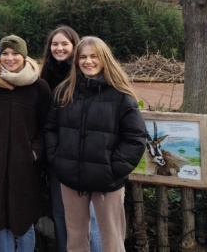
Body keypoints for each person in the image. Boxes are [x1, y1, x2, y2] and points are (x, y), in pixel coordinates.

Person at [47, 37, 147, 252]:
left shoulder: (121, 95)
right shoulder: (64, 92)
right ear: (76, 61)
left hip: (107, 182)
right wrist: (58, 160)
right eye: (83, 57)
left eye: (94, 56)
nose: (88, 61)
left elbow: (136, 138)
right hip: (71, 177)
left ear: (104, 59)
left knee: (112, 240)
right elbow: (51, 129)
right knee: (75, 239)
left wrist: (113, 169)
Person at [0, 36, 52, 251]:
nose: (10, 58)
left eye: (15, 53)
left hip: (25, 167)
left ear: (24, 56)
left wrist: (34, 153)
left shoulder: (39, 87)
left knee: (23, 220)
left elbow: (47, 126)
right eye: (5, 53)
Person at [40, 27, 103, 252]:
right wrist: (53, 154)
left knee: (91, 216)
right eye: (55, 44)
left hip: (87, 157)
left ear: (74, 46)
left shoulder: (86, 76)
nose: (59, 48)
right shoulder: (44, 76)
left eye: (64, 44)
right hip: (58, 157)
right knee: (60, 211)